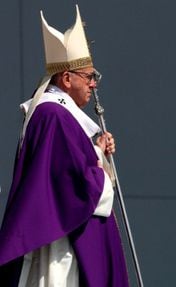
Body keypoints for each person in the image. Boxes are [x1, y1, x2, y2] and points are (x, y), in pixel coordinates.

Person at [0, 5, 129, 286]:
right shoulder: (53, 115)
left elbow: (65, 166)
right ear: (67, 78)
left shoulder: (57, 115)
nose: (94, 84)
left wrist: (96, 149)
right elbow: (70, 184)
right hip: (60, 244)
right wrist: (100, 167)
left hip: (64, 234)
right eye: (89, 76)